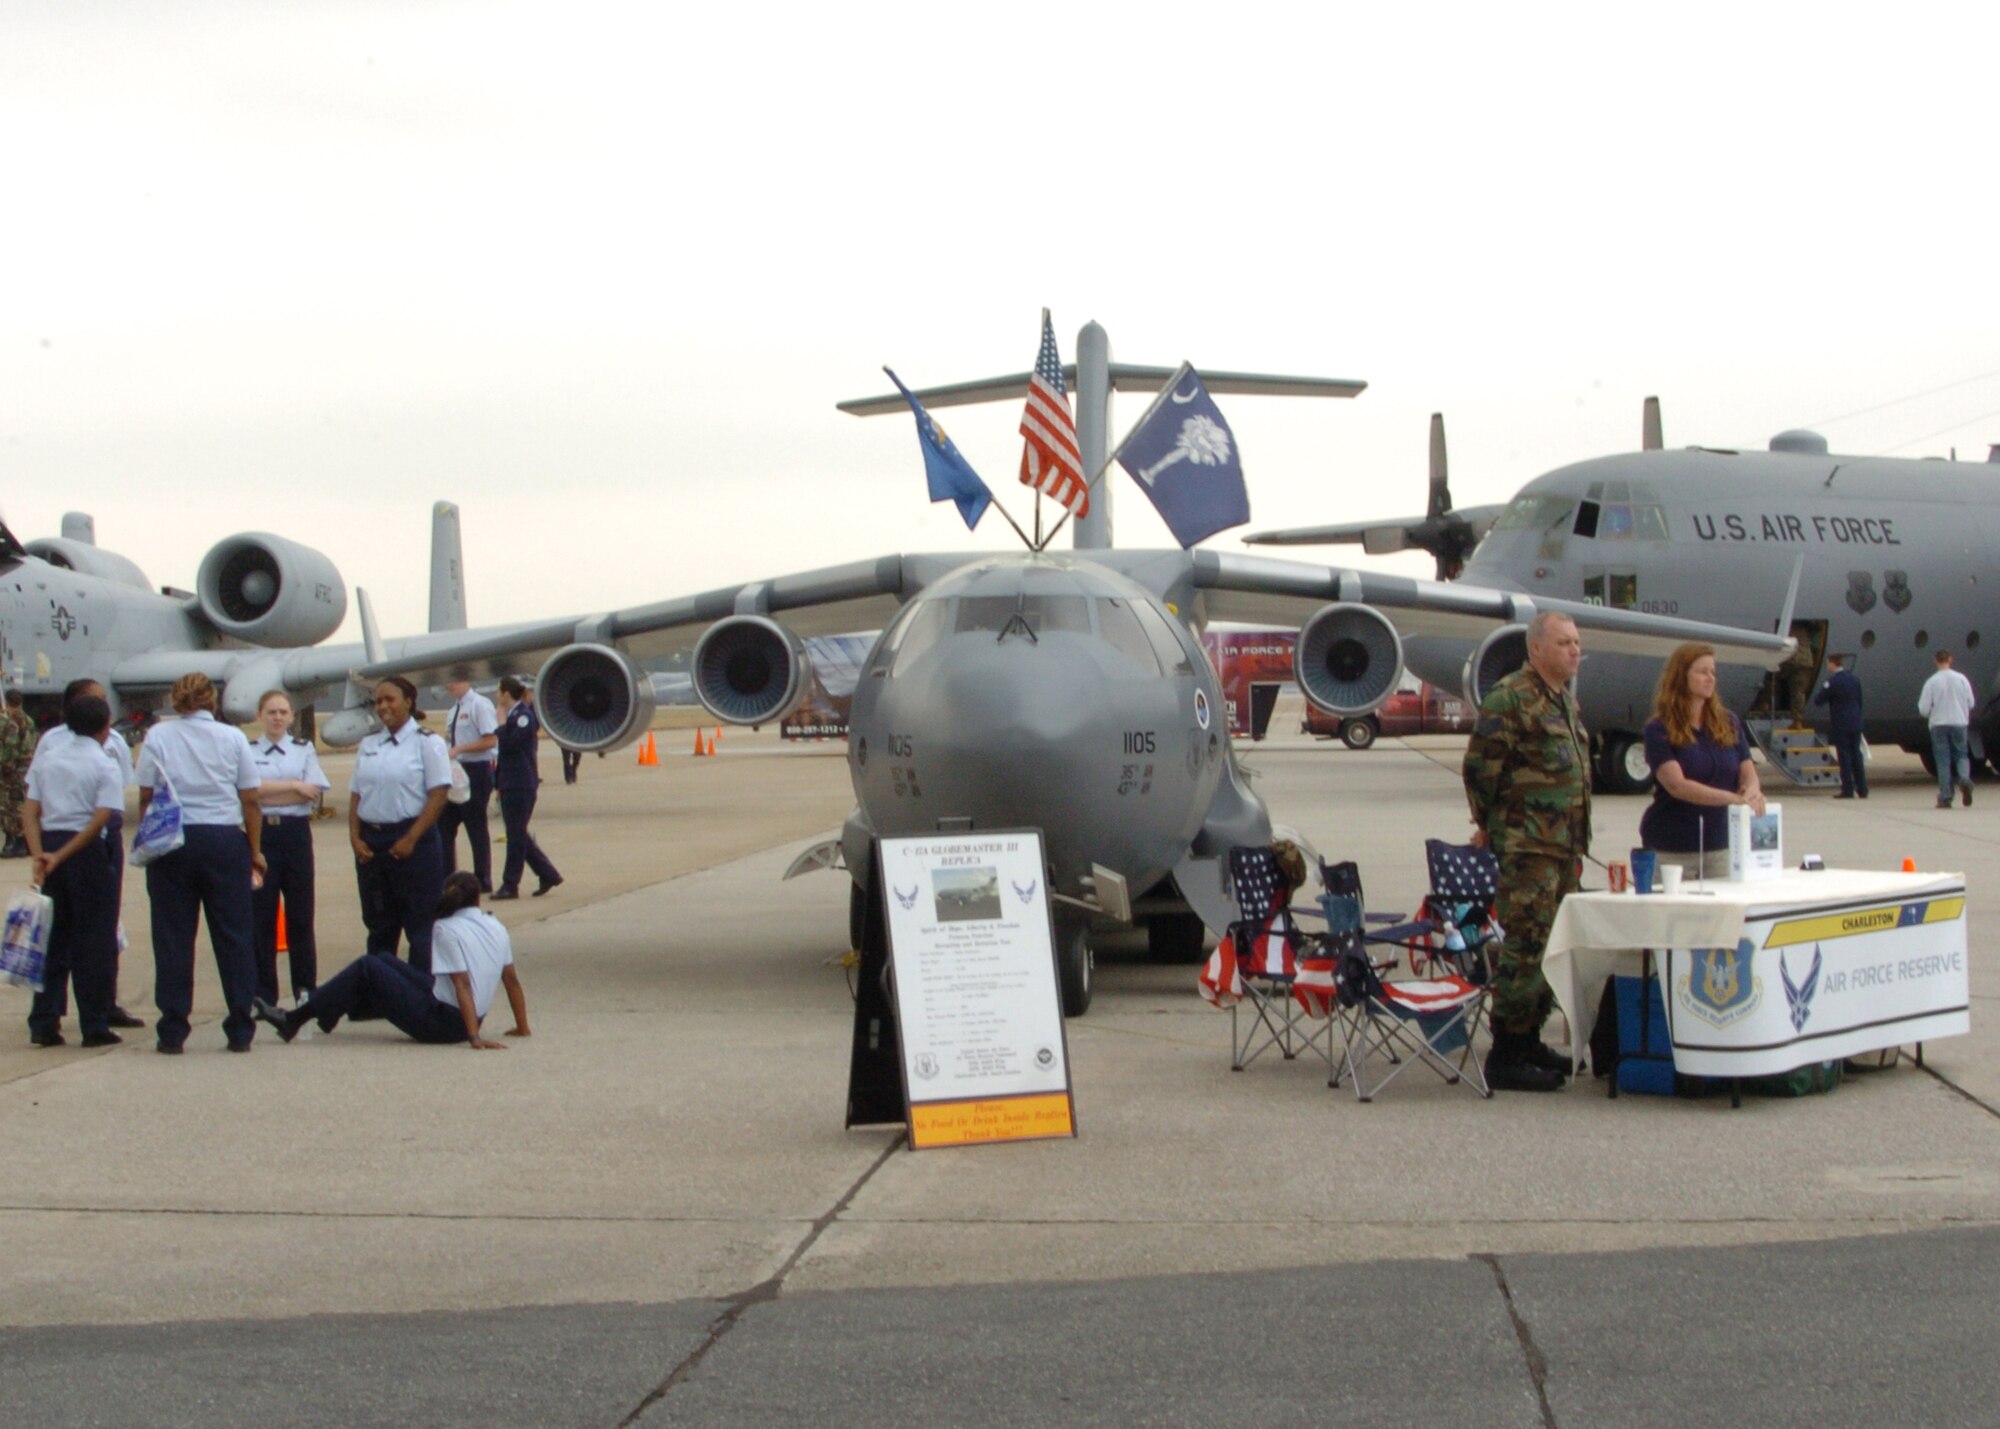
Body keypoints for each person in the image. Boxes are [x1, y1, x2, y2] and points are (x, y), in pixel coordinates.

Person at [1463, 611, 1589, 1094]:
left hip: (1563, 848)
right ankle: (1507, 1050)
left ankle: (1530, 1036)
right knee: (1526, 944)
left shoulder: (1562, 700)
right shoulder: (1511, 697)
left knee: (1552, 945)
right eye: (1564, 642)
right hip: (1529, 847)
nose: (1574, 650)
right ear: (1536, 649)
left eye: (1577, 642)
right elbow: (1480, 769)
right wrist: (1493, 825)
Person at [136, 673, 265, 1054]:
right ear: (213, 701)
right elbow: (251, 798)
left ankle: (173, 1027)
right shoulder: (232, 737)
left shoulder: (159, 736)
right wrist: (254, 849)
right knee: (234, 935)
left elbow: (146, 792)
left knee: (173, 936)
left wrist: (150, 831)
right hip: (223, 836)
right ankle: (241, 1024)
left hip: (175, 837)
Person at [252, 872, 529, 1047]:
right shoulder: (496, 926)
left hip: (446, 1024)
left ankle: (294, 1019)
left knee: (367, 967)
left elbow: (462, 983)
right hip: (463, 1013)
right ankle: (326, 1010)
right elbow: (512, 981)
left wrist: (473, 1038)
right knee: (383, 959)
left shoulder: (445, 929)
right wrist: (522, 1026)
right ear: (476, 901)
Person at [31, 678, 144, 1029]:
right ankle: (94, 1022)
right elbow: (102, 817)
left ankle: (45, 1020)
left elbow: (28, 809)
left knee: (56, 933)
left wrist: (42, 855)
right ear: (104, 725)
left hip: (53, 843)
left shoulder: (48, 758)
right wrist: (60, 854)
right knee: (94, 938)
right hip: (87, 848)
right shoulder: (100, 758)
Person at [350, 676, 453, 972]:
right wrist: (355, 839)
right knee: (379, 924)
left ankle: (419, 994)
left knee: (420, 924)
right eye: (378, 701)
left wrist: (410, 839)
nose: (383, 706)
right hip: (373, 843)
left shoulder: (427, 742)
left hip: (413, 842)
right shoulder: (369, 744)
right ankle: (380, 993)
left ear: (408, 701)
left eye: (389, 699)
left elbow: (438, 795)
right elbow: (357, 795)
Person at [1640, 643, 1766, 879]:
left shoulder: (1729, 722)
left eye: (1713, 673)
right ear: (1682, 676)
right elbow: (1677, 785)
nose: (1710, 678)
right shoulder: (1658, 729)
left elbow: (1747, 769)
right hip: (1673, 847)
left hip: (1721, 845)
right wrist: (1734, 799)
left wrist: (1752, 791)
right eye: (1702, 672)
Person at [249, 690, 332, 1006]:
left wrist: (274, 792)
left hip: (296, 836)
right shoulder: (248, 749)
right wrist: (293, 785)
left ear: (292, 717)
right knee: (262, 918)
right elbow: (248, 791)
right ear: (260, 715)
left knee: (300, 915)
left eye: (284, 712)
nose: (278, 717)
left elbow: (312, 792)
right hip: (261, 836)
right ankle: (264, 994)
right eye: (271, 712)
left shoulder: (303, 748)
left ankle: (304, 990)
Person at [492, 676, 562, 900]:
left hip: (521, 783)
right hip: (509, 781)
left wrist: (501, 725)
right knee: (518, 833)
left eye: (498, 691)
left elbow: (512, 745)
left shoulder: (523, 716)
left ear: (506, 693)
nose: (496, 696)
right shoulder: (515, 715)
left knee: (515, 836)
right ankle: (548, 873)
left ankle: (510, 884)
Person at [439, 677, 498, 893]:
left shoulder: (479, 705)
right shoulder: (454, 709)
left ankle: (483, 877)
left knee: (476, 827)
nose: (448, 685)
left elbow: (490, 740)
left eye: (452, 681)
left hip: (476, 770)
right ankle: (447, 876)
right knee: (444, 825)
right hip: (456, 771)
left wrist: (461, 749)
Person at [1918, 649, 1976, 809]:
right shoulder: (1962, 679)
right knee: (1962, 754)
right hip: (1959, 722)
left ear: (1935, 661)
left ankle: (1945, 796)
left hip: (1939, 724)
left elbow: (1923, 709)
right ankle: (1964, 778)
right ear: (1950, 659)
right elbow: (1971, 702)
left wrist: (1932, 712)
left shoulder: (1931, 681)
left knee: (1942, 760)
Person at [1813, 653, 1867, 799]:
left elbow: (1818, 701)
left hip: (1841, 724)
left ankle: (1848, 789)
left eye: (1828, 663)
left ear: (1832, 663)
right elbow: (1859, 700)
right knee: (1857, 755)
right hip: (1856, 723)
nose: (1827, 667)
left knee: (1844, 757)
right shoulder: (1854, 679)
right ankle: (1862, 789)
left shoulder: (1832, 682)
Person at [0, 687, 35, 858]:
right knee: (21, 804)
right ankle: (23, 842)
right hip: (26, 767)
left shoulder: (11, 722)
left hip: (14, 769)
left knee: (10, 806)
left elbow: (11, 747)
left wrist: (6, 766)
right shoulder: (28, 720)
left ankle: (15, 841)